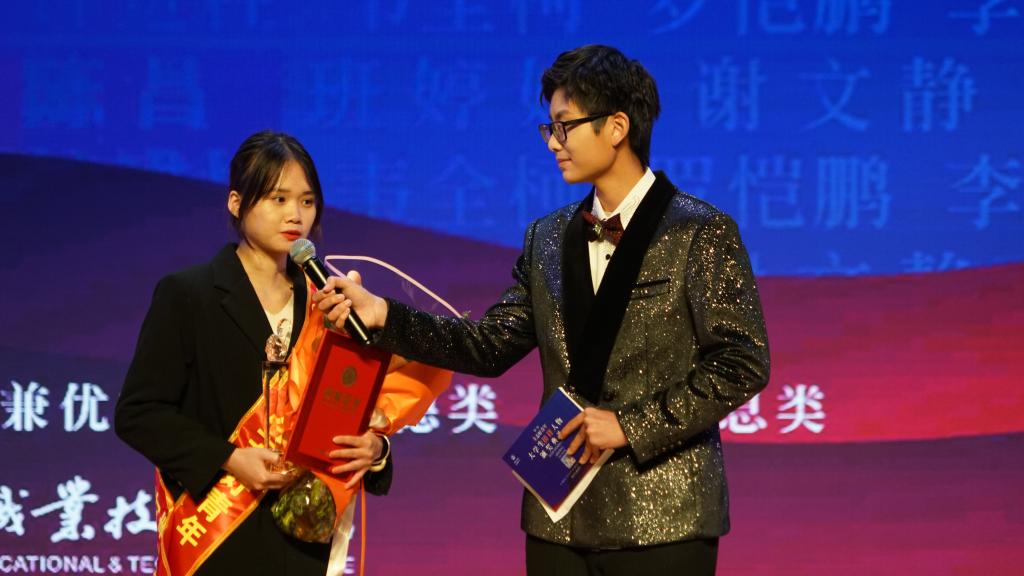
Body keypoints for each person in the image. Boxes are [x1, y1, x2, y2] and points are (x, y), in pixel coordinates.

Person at [314, 45, 770, 575]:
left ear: (616, 127)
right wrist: (383, 315)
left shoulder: (698, 231)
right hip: (559, 518)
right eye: (549, 128)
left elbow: (743, 362)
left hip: (666, 515)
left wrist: (629, 426)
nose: (553, 142)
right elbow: (488, 345)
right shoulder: (548, 237)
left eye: (564, 126)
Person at [115, 131, 445, 576]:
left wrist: (376, 448)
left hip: (303, 534)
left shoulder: (330, 302)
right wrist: (229, 458)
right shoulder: (188, 295)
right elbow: (139, 413)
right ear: (236, 203)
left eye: (307, 202)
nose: (295, 215)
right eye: (278, 199)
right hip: (220, 532)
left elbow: (349, 406)